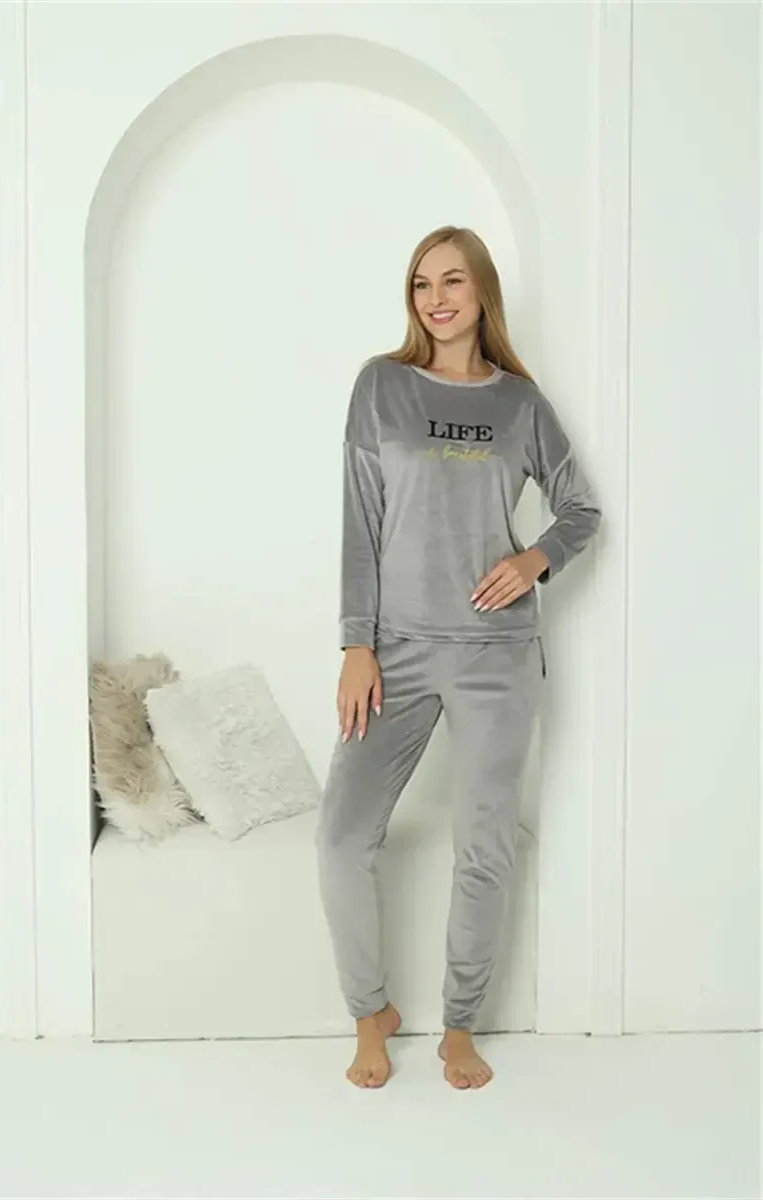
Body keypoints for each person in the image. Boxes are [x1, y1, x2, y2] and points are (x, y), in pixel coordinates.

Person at [316, 225, 602, 1090]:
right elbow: (359, 523)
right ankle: (370, 1012)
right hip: (395, 652)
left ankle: (459, 1025)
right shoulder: (381, 386)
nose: (434, 298)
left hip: (496, 657)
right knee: (342, 838)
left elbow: (580, 509)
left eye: (451, 281)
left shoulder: (520, 404)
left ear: (481, 292)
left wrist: (534, 558)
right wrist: (356, 644)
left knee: (484, 846)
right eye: (420, 283)